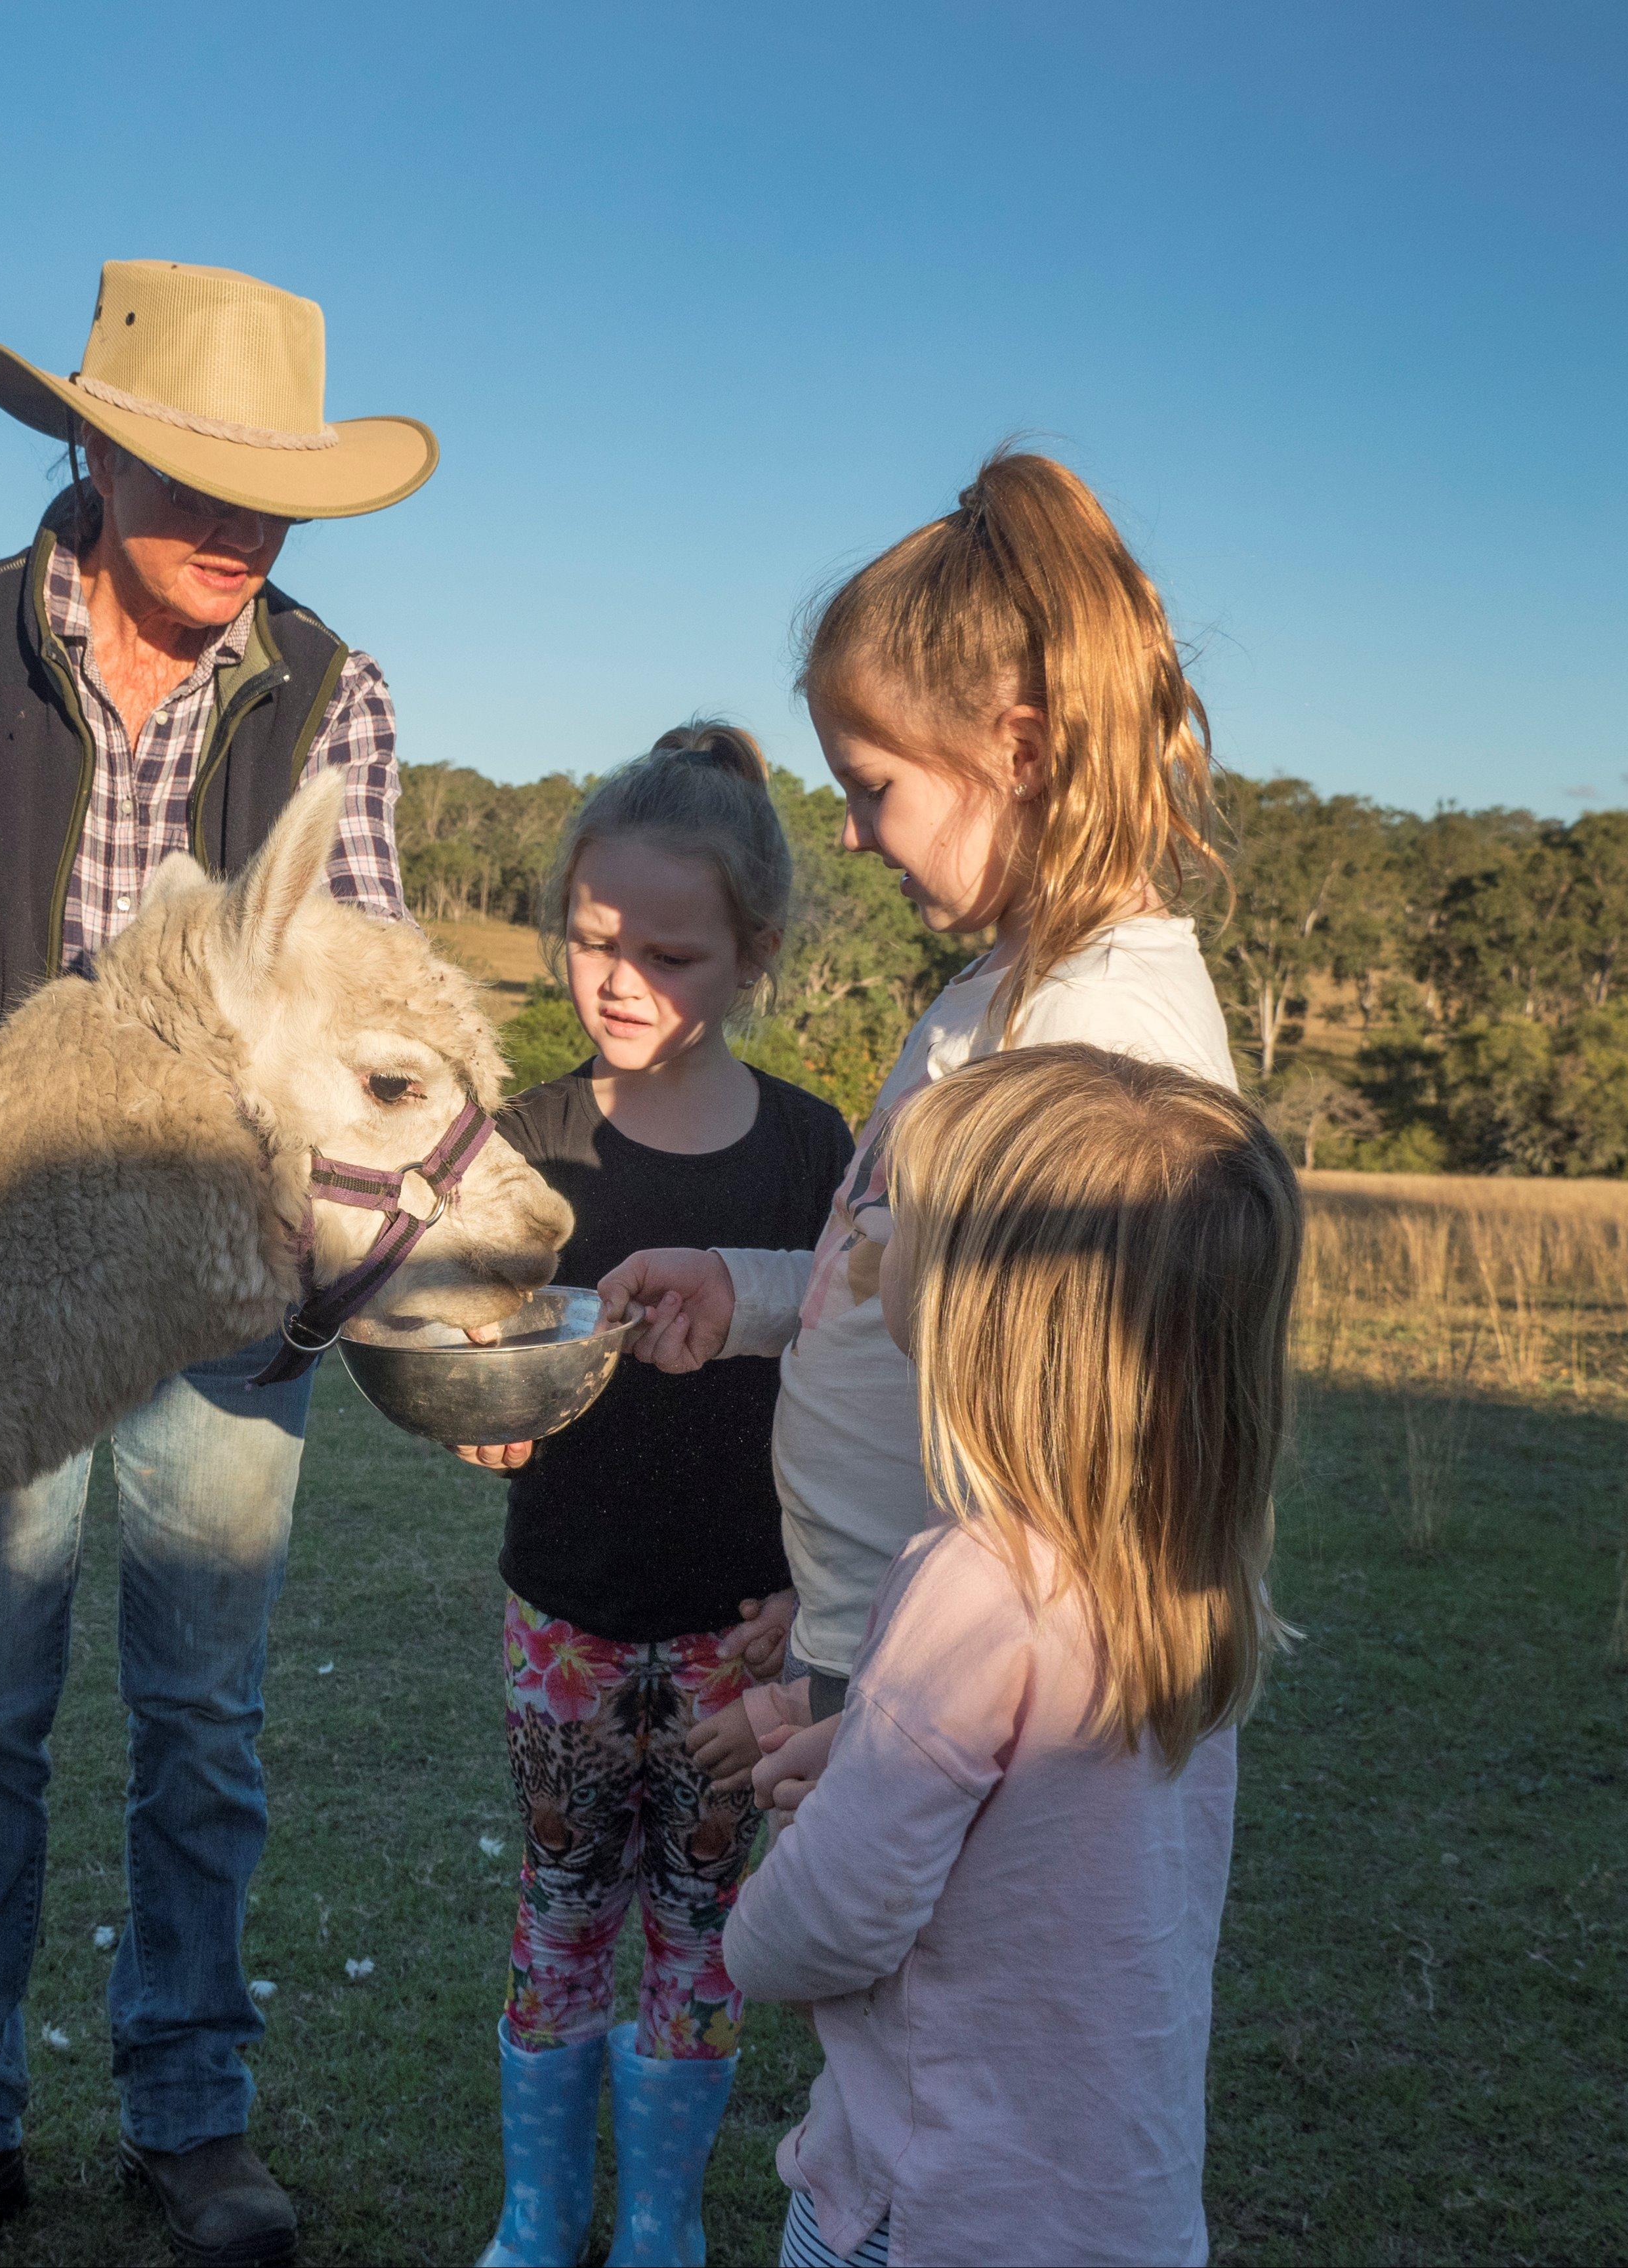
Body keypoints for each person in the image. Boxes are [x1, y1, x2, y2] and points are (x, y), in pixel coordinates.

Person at [0, 261, 436, 2268]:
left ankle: (192, 2118)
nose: (237, 527)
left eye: (274, 493)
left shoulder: (338, 691)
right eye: (191, 474)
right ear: (90, 447)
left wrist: (343, 1280)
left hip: (229, 1293)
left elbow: (349, 994)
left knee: (208, 1724)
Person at [597, 448, 1242, 1814]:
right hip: (890, 1663)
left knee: (925, 2032)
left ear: (1016, 749)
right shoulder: (987, 998)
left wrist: (912, 1720)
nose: (844, 833)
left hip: (976, 1713)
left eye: (874, 785)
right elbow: (893, 1270)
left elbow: (1086, 1486)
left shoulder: (1104, 1047)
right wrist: (747, 1289)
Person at [724, 1043, 1299, 2266]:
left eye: (910, 1220)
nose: (881, 1229)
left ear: (985, 1301)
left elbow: (833, 1918)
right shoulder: (1184, 1570)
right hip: (1123, 2211)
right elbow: (1045, 1815)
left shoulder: (977, 1579)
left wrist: (759, 1900)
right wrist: (863, 1742)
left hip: (927, 2208)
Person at [459, 726, 853, 2268]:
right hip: (561, 1609)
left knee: (703, 1928)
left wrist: (809, 1602)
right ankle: (540, 2218)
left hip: (738, 1640)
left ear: (754, 957)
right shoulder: (528, 1143)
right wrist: (478, 1415)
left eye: (669, 952)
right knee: (561, 1901)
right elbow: (470, 1333)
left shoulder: (815, 1150)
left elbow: (849, 1388)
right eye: (589, 937)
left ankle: (663, 2223)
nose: (616, 979)